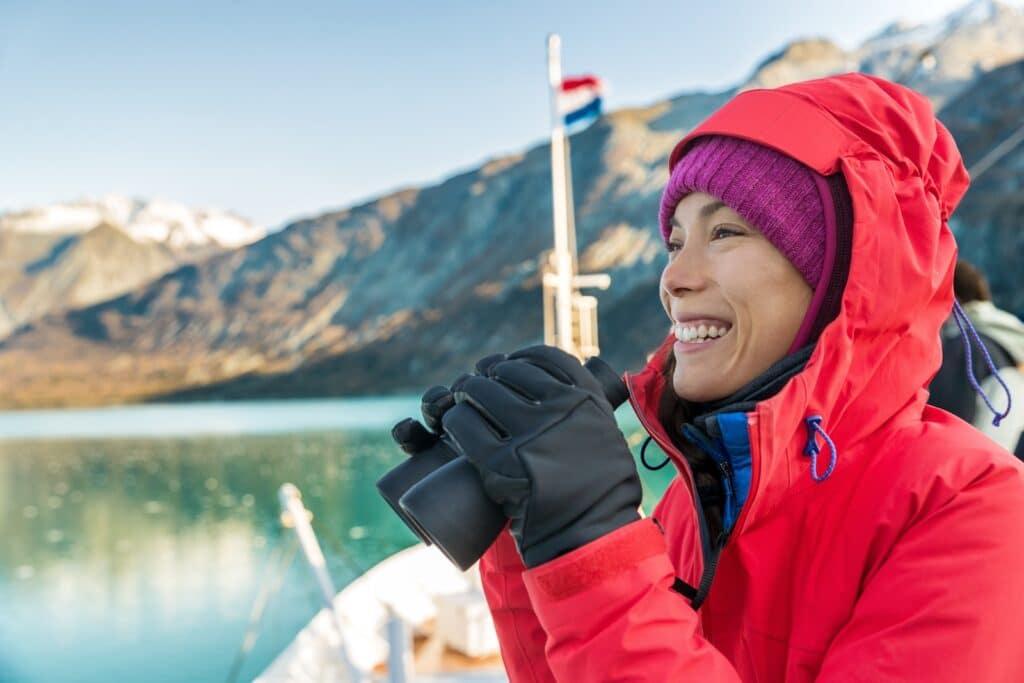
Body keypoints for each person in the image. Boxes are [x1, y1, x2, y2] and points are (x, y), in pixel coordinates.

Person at [395, 74, 1024, 681]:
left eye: (725, 232)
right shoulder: (700, 498)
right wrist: (528, 531)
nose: (675, 279)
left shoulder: (974, 509)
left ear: (844, 276)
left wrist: (595, 548)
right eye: (673, 243)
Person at [929, 260, 1024, 456]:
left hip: (965, 469)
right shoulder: (1005, 341)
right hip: (1002, 469)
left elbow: (944, 430)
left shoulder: (964, 348)